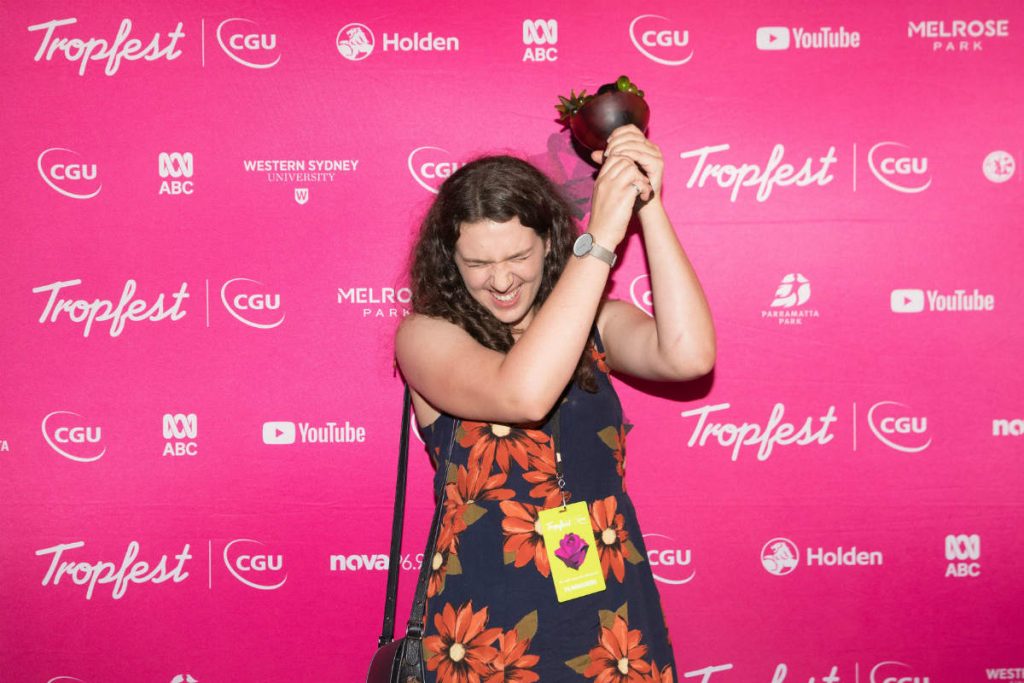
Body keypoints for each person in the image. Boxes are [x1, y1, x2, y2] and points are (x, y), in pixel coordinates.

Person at [395, 125, 715, 683]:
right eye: (477, 264)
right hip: (486, 622)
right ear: (450, 261)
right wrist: (602, 240)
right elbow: (523, 394)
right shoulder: (426, 336)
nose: (500, 281)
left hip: (608, 612)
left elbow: (688, 357)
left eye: (517, 255)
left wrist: (649, 206)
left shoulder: (594, 324)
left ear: (548, 240)